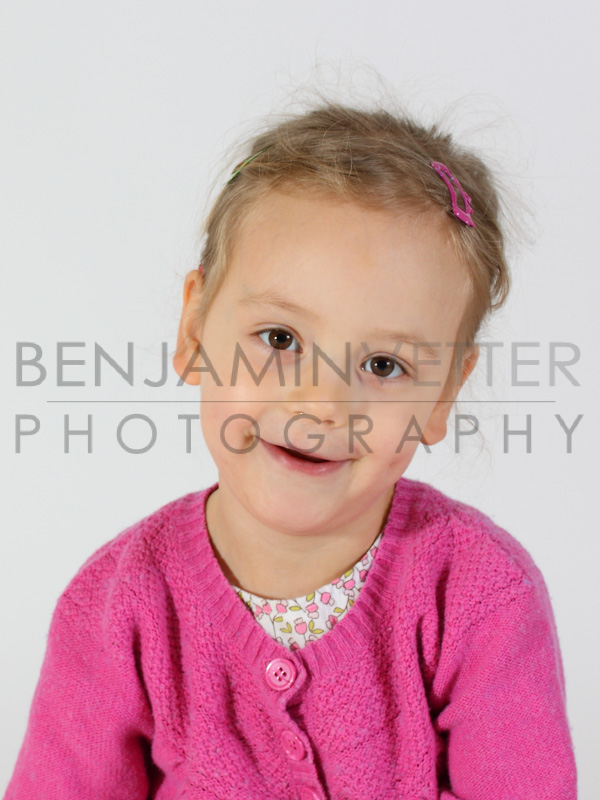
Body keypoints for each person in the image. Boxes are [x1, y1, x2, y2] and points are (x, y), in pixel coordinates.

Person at [4, 102, 577, 799]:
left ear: (443, 395)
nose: (320, 404)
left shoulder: (482, 595)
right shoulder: (118, 605)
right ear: (194, 329)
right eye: (280, 339)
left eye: (384, 365)